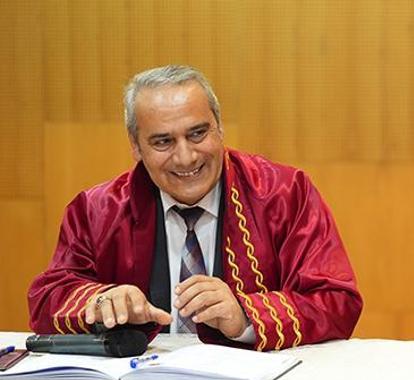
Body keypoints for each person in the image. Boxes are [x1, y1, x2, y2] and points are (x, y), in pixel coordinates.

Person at [28, 65, 363, 351]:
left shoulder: (286, 194)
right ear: (135, 146)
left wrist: (246, 315)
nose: (186, 157)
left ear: (219, 127)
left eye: (198, 133)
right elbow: (46, 299)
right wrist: (101, 301)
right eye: (163, 141)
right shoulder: (96, 210)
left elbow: (337, 300)